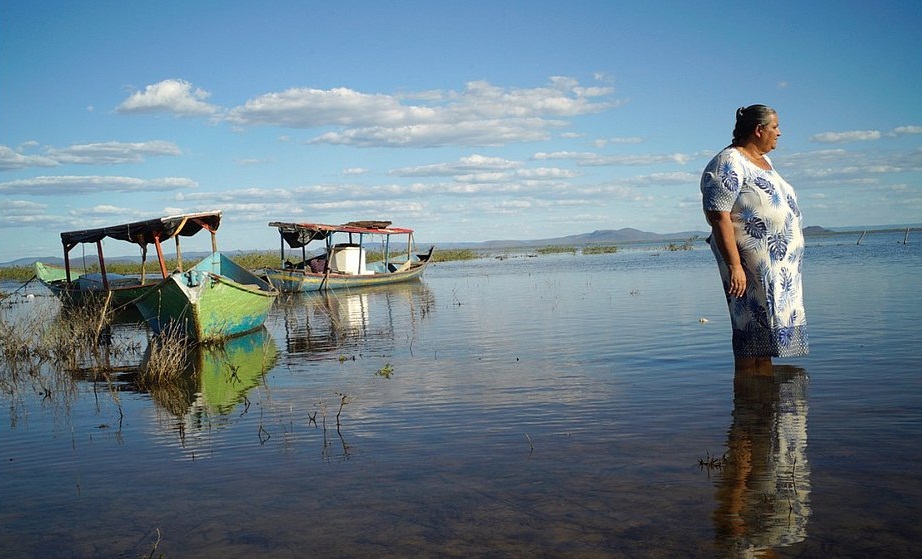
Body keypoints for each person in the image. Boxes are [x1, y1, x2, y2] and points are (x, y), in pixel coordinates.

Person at [700, 104, 808, 373]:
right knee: (750, 336)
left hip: (778, 269)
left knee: (766, 341)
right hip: (748, 267)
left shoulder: (765, 162)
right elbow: (718, 215)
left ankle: (765, 394)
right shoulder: (729, 162)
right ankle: (748, 395)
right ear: (759, 130)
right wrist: (735, 266)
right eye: (775, 127)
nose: (779, 133)